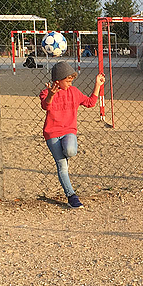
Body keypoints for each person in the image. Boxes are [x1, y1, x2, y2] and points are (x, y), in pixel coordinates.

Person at [40, 61, 105, 208]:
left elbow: (90, 103)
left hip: (68, 131)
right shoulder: (46, 92)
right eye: (67, 81)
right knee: (62, 166)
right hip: (52, 134)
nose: (70, 83)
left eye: (71, 81)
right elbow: (46, 106)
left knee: (70, 150)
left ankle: (65, 155)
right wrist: (51, 94)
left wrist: (98, 85)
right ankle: (71, 196)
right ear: (58, 81)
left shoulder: (74, 92)